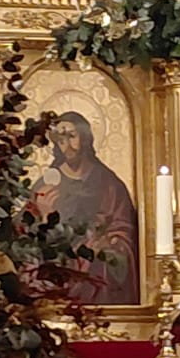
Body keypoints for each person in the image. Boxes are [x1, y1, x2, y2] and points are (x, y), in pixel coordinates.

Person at [30, 112, 140, 305]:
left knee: (106, 259)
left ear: (85, 137)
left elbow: (124, 228)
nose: (67, 144)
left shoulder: (109, 183)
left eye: (72, 136)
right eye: (61, 139)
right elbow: (25, 231)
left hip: (95, 259)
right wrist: (44, 216)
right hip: (60, 261)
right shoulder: (45, 185)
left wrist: (104, 242)